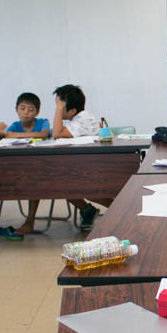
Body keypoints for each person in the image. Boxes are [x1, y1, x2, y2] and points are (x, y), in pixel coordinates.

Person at [0, 92, 52, 239]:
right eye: (22, 108)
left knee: (34, 182)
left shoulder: (43, 122)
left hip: (37, 168)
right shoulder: (15, 125)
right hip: (15, 167)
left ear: (37, 112)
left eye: (30, 110)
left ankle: (30, 221)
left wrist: (12, 135)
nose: (26, 113)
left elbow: (43, 134)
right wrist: (2, 133)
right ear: (16, 109)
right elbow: (4, 136)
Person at [51, 84, 99, 228]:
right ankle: (87, 210)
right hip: (83, 165)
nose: (57, 109)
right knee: (59, 183)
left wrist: (59, 109)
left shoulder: (82, 119)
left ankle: (119, 209)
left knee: (63, 185)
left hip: (92, 169)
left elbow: (56, 134)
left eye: (59, 106)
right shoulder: (78, 118)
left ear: (71, 110)